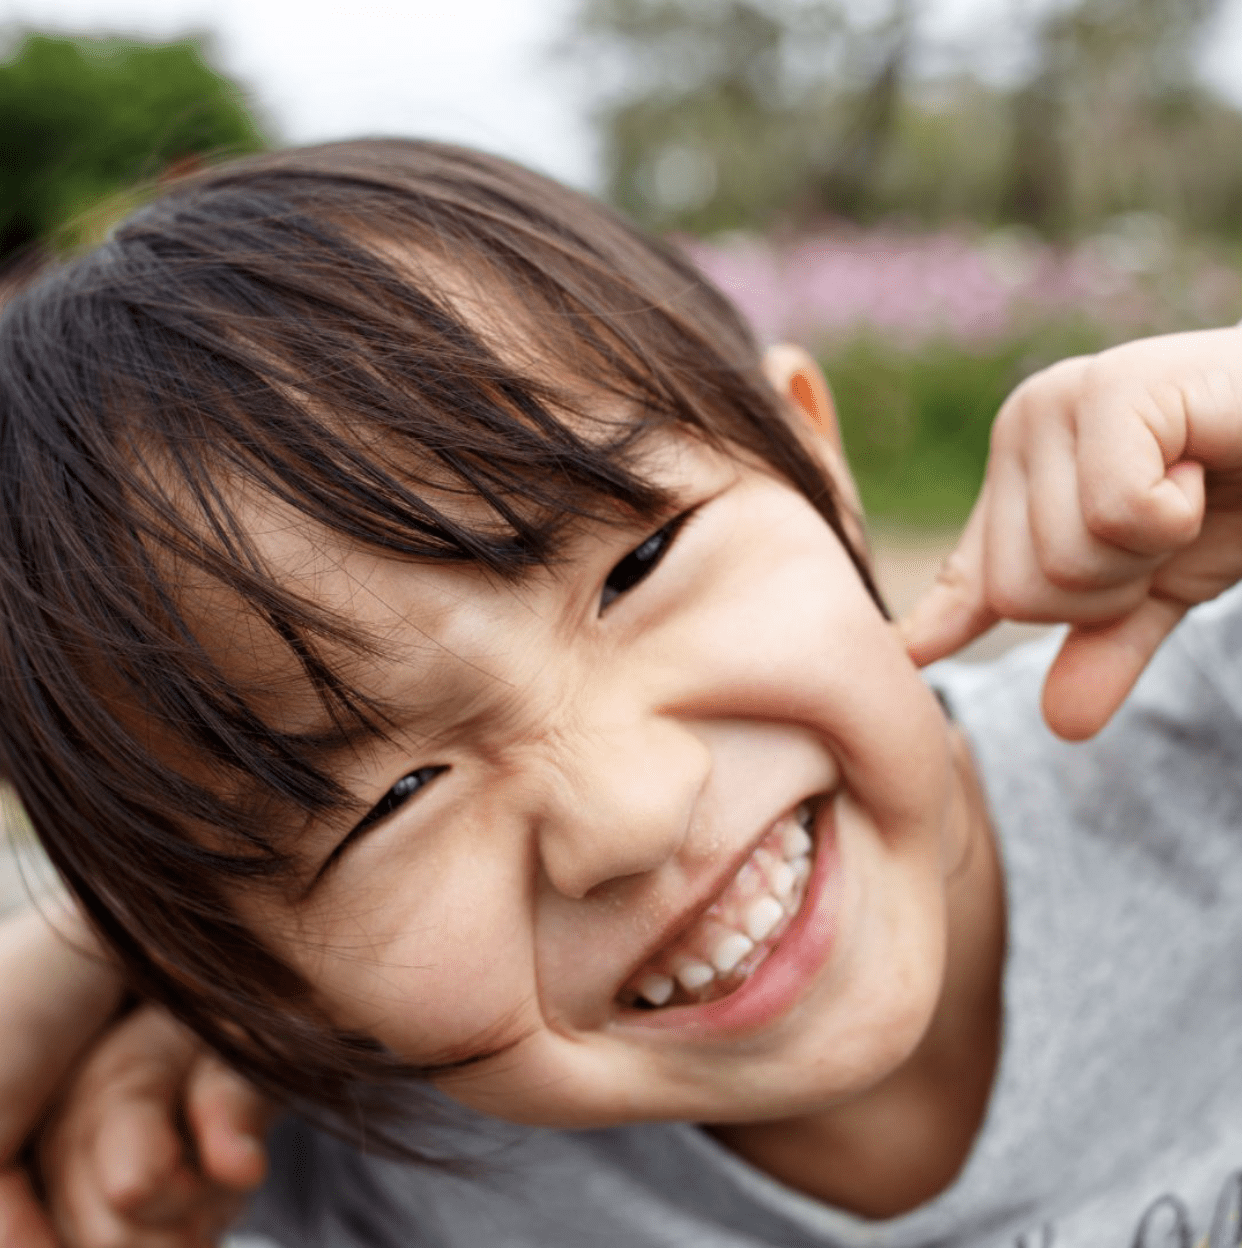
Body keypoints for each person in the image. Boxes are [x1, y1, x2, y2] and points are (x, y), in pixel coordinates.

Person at [2, 137, 1242, 1248]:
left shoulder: (1214, 732)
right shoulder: (303, 1193)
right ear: (252, 977)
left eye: (638, 568)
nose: (632, 816)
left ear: (815, 457)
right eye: (391, 799)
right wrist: (143, 962)